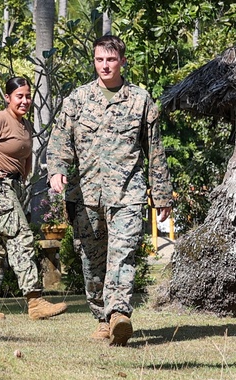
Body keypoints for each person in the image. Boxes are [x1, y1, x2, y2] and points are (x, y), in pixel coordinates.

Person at [47, 35, 173, 346]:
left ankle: (119, 313)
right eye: (100, 59)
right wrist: (57, 170)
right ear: (94, 62)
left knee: (123, 254)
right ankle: (102, 316)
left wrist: (162, 194)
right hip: (85, 196)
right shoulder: (76, 100)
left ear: (122, 62)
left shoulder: (141, 101)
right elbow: (61, 141)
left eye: (111, 59)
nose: (106, 65)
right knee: (92, 263)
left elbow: (155, 151)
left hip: (127, 194)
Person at [0, 76, 68, 321]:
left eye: (28, 96)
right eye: (19, 96)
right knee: (21, 236)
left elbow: (26, 156)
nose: (25, 101)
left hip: (12, 187)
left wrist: (23, 179)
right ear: (7, 97)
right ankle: (34, 301)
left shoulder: (25, 125)